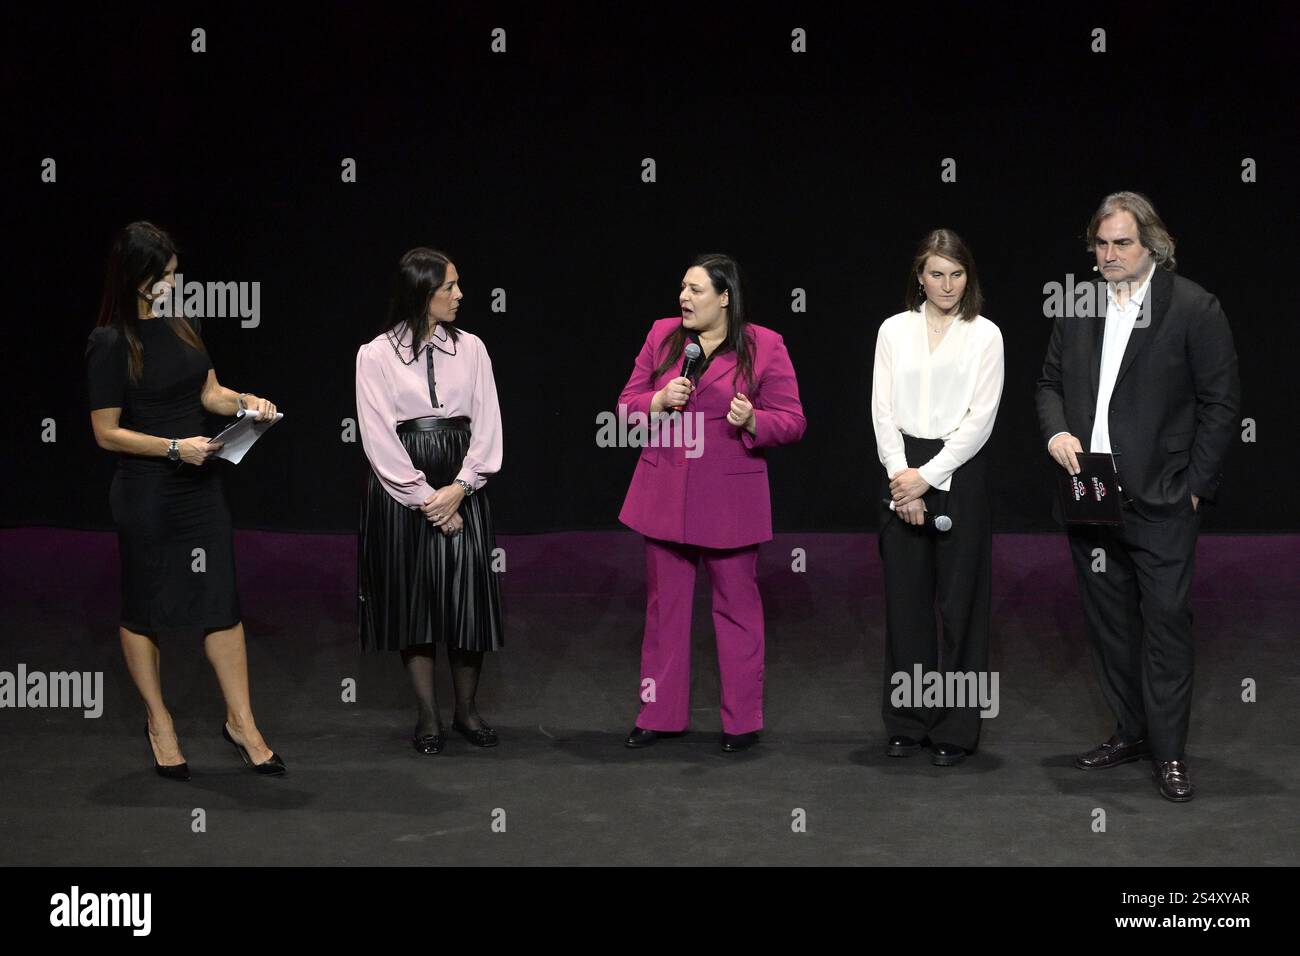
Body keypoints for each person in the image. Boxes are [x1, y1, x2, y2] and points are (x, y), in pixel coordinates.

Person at [1036, 191, 1240, 802]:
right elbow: (1048, 382)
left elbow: (1221, 405)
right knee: (1110, 625)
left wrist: (1196, 488)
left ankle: (1170, 753)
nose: (1109, 254)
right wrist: (1056, 432)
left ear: (1151, 243)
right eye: (1100, 243)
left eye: (1121, 242)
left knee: (1167, 625)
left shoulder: (1193, 307)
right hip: (1089, 487)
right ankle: (1131, 731)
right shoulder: (1077, 305)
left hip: (1162, 498)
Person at [86, 221, 285, 780]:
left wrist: (249, 402)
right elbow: (106, 432)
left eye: (176, 273)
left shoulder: (187, 323)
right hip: (147, 489)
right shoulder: (109, 342)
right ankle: (159, 722)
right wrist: (174, 448)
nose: (175, 282)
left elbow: (209, 393)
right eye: (165, 275)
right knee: (145, 605)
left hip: (200, 485)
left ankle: (241, 722)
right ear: (136, 278)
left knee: (219, 599)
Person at [617, 253, 806, 753]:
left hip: (729, 503)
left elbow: (792, 420)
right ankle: (659, 714)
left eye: (696, 290)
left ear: (725, 298)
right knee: (665, 612)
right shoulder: (663, 336)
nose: (684, 298)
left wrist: (753, 421)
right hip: (665, 498)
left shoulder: (764, 346)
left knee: (738, 610)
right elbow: (625, 406)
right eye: (682, 287)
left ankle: (742, 722)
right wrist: (655, 402)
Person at [356, 247, 504, 755]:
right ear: (422, 293)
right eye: (449, 287)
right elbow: (377, 437)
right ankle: (428, 714)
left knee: (468, 603)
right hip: (405, 490)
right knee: (414, 602)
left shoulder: (474, 348)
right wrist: (426, 499)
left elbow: (487, 425)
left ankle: (467, 710)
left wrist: (461, 487)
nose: (460, 295)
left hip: (463, 481)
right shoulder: (374, 355)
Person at [871, 229, 1004, 767]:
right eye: (936, 274)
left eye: (956, 274)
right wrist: (902, 478)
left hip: (959, 473)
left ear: (967, 277)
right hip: (900, 469)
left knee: (961, 607)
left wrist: (928, 478)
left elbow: (981, 420)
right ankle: (909, 718)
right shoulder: (892, 330)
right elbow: (882, 410)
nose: (947, 284)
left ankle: (957, 726)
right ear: (919, 277)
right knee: (907, 607)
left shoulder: (985, 334)